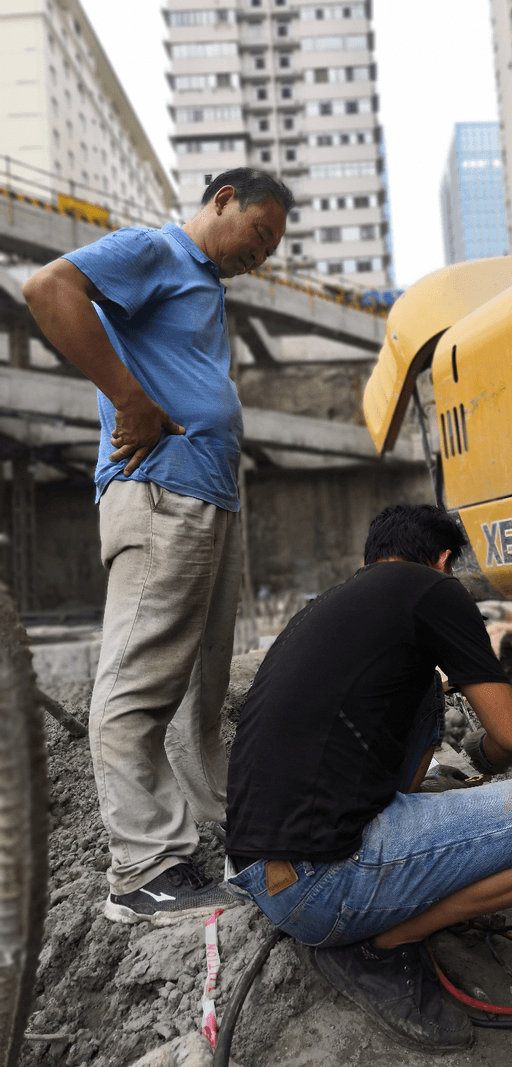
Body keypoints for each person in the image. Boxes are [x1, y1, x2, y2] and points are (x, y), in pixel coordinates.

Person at [224, 504, 512, 1052]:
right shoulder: (431, 588)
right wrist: (484, 760)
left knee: (427, 700)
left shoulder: (325, 609)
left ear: (372, 557)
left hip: (264, 875)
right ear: (445, 560)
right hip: (323, 888)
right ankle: (381, 946)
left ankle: (370, 914)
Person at [22, 168, 292, 926]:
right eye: (258, 235)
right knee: (135, 684)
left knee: (197, 689)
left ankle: (204, 834)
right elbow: (48, 290)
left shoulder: (200, 284)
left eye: (272, 249)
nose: (261, 256)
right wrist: (131, 397)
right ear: (221, 202)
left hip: (205, 496)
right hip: (161, 493)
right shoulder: (154, 251)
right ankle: (142, 872)